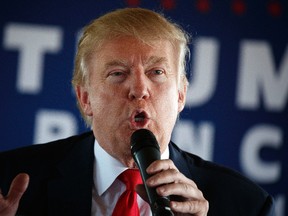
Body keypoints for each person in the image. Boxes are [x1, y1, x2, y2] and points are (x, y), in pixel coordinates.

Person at [0, 7, 274, 216]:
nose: (140, 89)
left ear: (181, 95)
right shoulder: (9, 182)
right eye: (118, 73)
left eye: (157, 72)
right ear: (85, 99)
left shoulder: (247, 205)